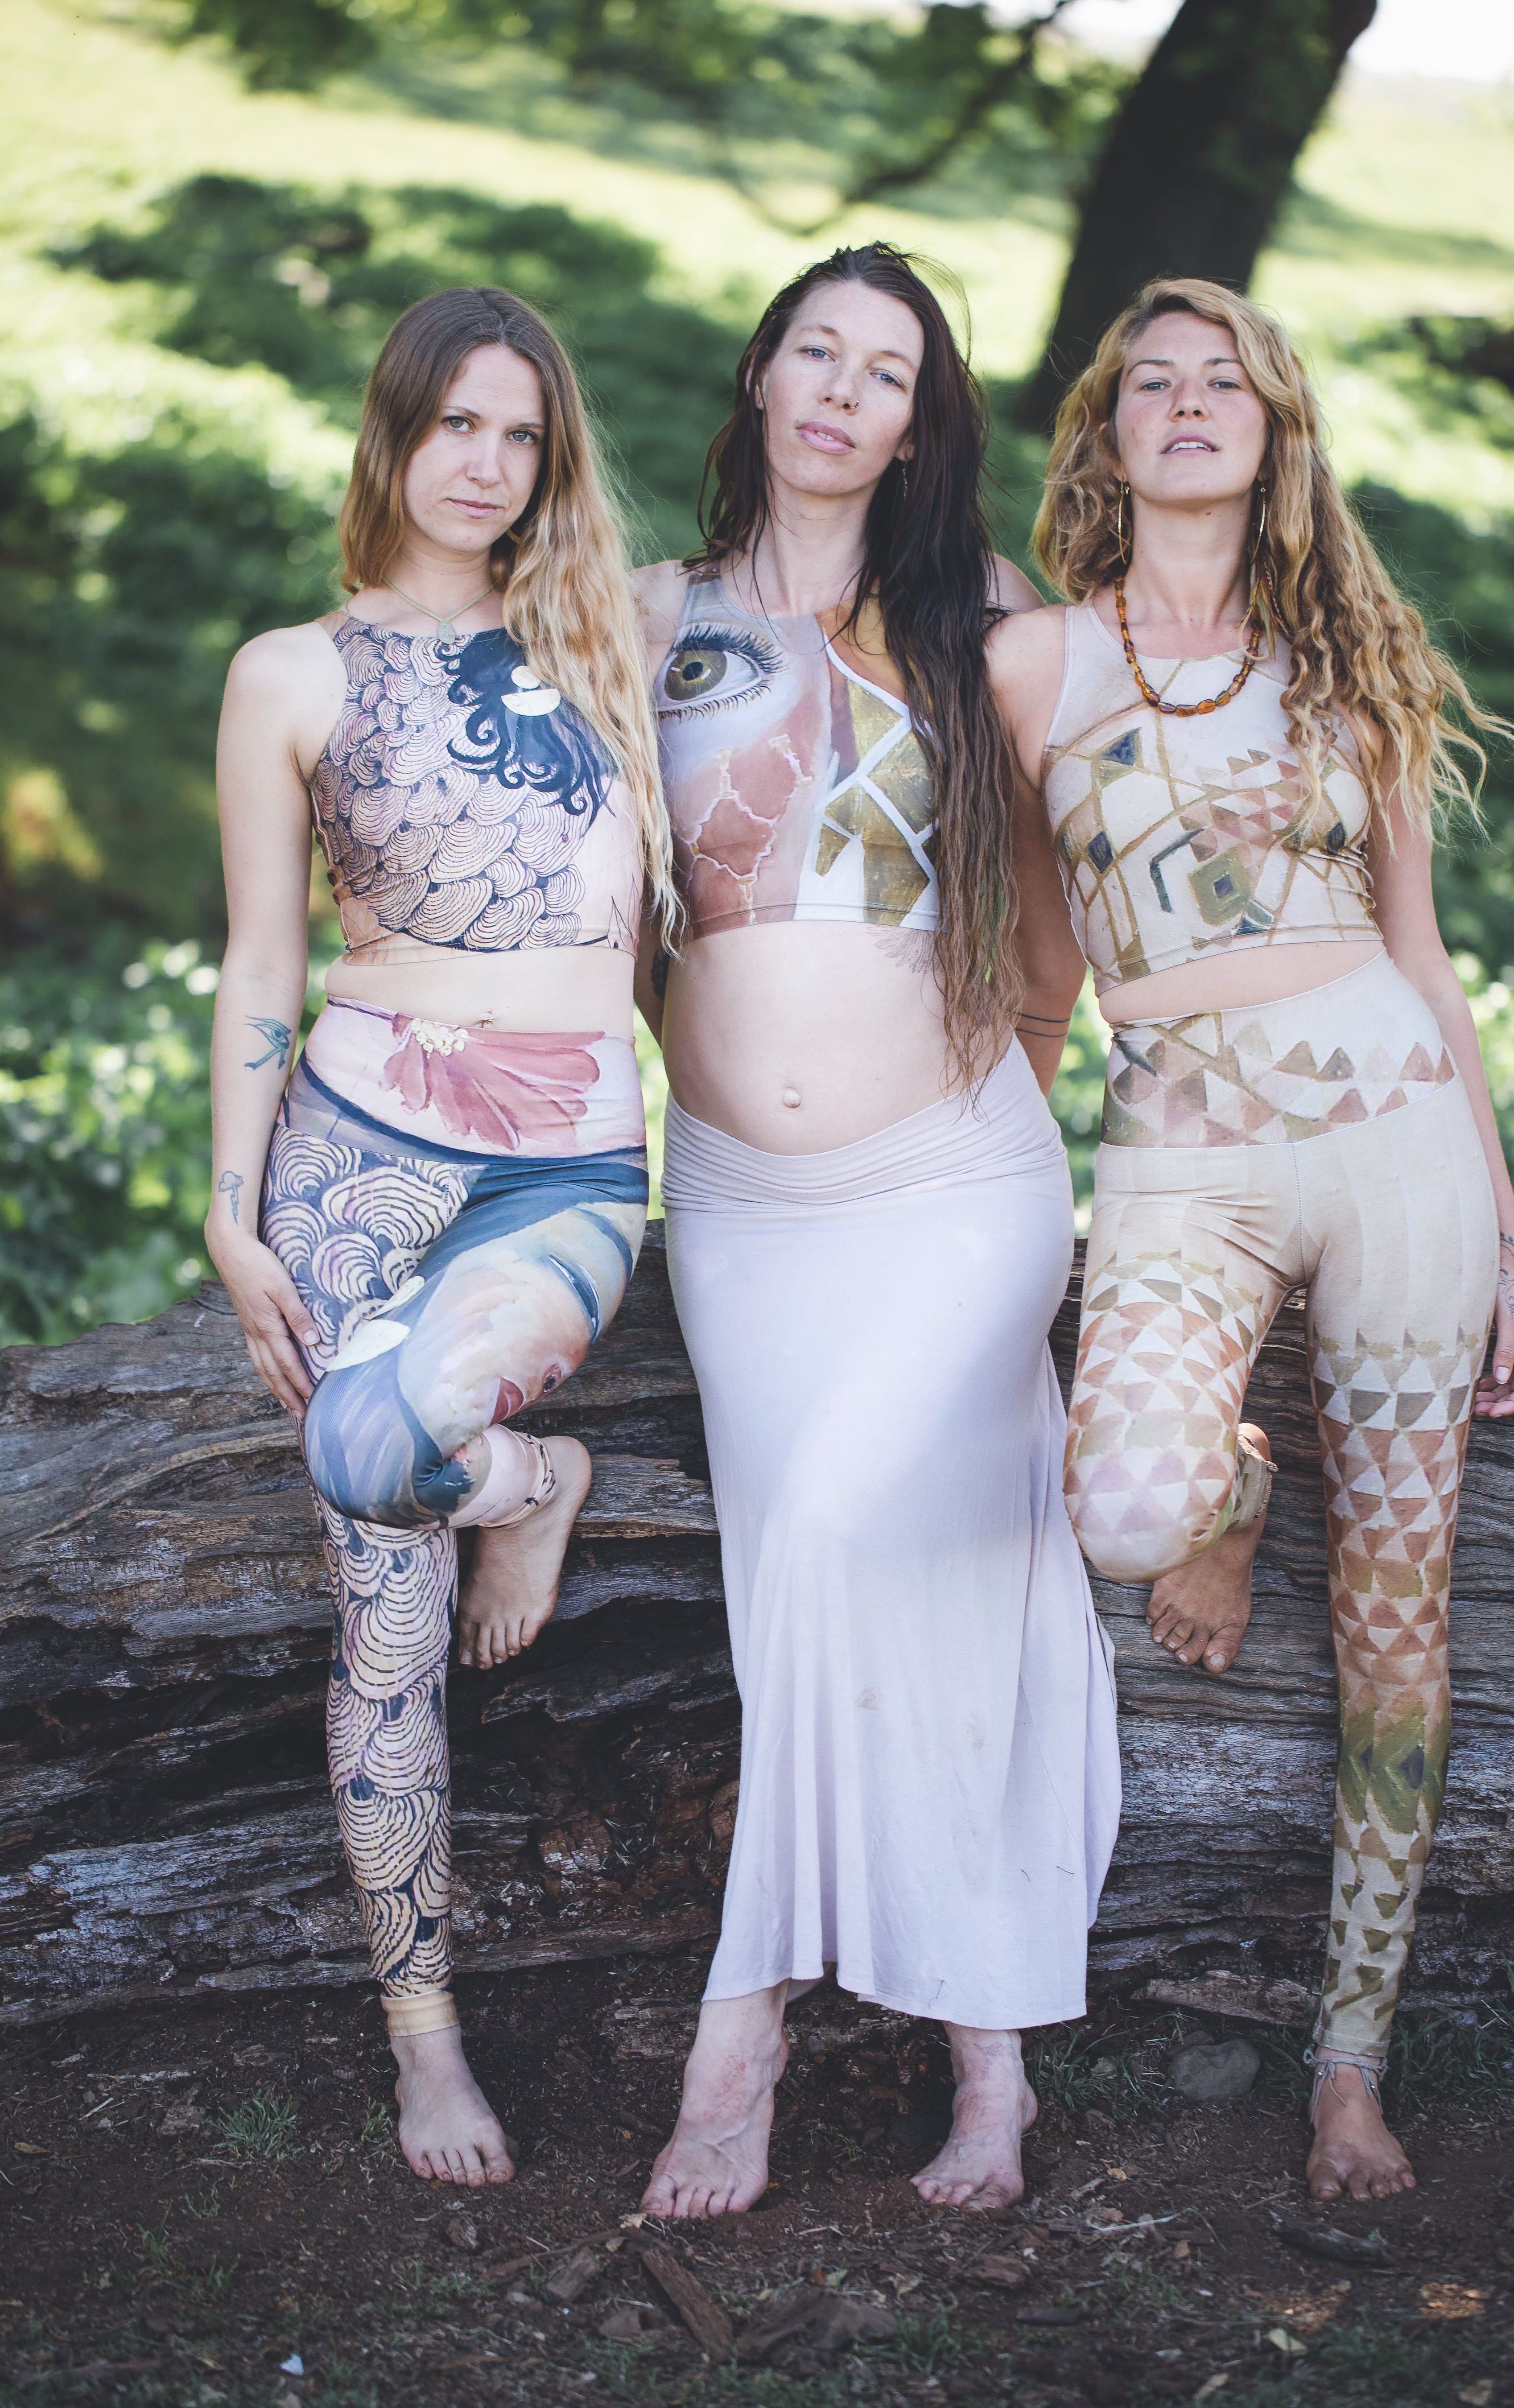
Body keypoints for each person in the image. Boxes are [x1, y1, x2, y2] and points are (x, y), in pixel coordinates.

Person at [990, 276, 1514, 2204]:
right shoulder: (1035, 665)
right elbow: (1041, 970)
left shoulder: (1350, 664)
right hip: (1182, 1161)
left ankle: (1349, 2064)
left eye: (1226, 380)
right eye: (1153, 383)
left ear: (1276, 428)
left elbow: (1423, 952)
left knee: (1399, 1629)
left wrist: (1501, 1210)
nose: (1191, 403)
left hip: (1396, 1143)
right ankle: (1230, 1484)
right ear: (1107, 436)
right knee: (1122, 1507)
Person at [632, 242, 1121, 2219]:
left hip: (952, 1190)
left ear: (923, 423)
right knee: (844, 1589)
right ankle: (992, 2069)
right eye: (815, 351)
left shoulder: (984, 615)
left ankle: (737, 2035)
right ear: (759, 375)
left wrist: (1026, 1043)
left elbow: (1078, 875)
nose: (844, 390)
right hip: (743, 1214)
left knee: (835, 1538)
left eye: (889, 371)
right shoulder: (647, 617)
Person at [206, 285, 676, 2188]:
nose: (484, 466)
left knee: (385, 1440)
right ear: (394, 432)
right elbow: (259, 949)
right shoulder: (292, 672)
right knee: (381, 1612)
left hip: (566, 1164)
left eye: (520, 435)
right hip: (356, 1148)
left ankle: (531, 1464)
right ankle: (427, 2042)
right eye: (454, 425)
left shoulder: (612, 641)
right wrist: (231, 1213)